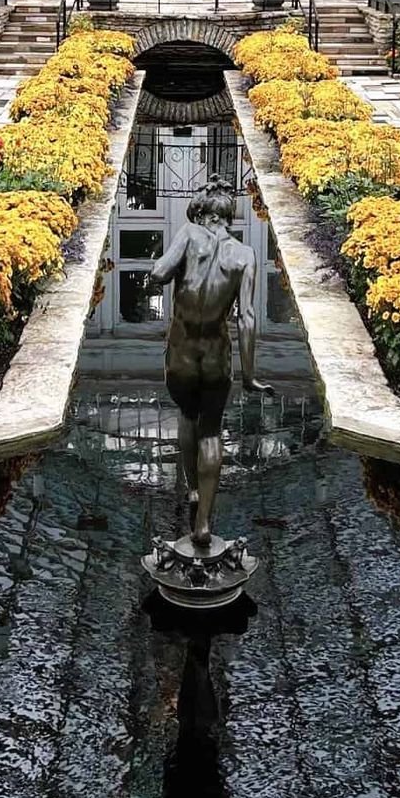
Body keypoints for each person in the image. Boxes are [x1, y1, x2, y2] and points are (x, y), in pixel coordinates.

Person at [150, 176, 273, 548]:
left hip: (182, 353)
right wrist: (249, 375)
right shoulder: (245, 255)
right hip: (218, 357)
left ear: (201, 212)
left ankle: (191, 486)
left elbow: (159, 273)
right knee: (212, 431)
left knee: (187, 415)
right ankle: (202, 520)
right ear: (228, 216)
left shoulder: (188, 233)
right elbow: (247, 318)